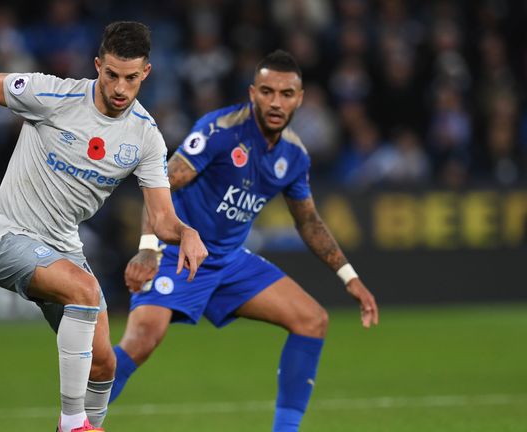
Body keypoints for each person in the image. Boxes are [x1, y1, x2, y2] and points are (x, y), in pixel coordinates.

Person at [0, 21, 208, 432]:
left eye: (130, 78)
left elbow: (162, 218)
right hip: (4, 237)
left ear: (145, 73)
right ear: (98, 65)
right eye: (111, 74)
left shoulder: (146, 137)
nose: (119, 88)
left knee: (104, 361)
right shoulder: (55, 95)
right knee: (85, 289)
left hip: (63, 249)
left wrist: (186, 233)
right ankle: (72, 425)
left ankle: (88, 425)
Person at [111, 50, 379, 432]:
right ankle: (76, 420)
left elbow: (309, 222)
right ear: (253, 92)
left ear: (299, 99)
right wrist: (148, 249)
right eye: (267, 91)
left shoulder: (294, 155)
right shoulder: (220, 130)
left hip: (229, 261)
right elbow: (162, 182)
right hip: (178, 253)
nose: (276, 101)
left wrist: (350, 277)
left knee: (312, 320)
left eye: (286, 94)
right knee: (141, 340)